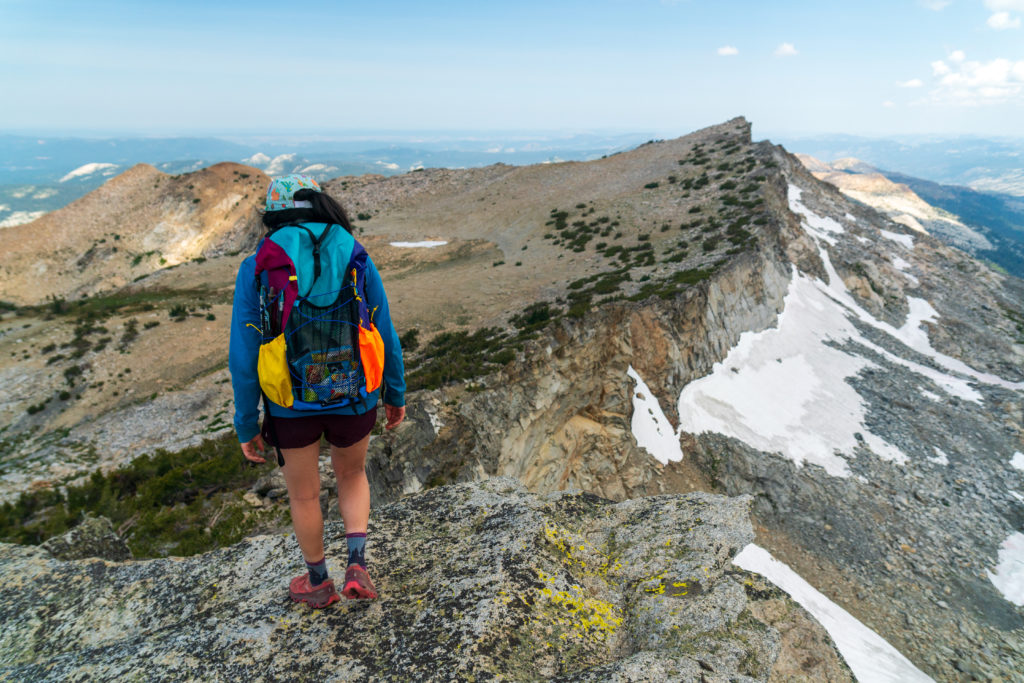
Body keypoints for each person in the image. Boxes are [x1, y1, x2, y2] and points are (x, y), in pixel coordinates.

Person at [229, 174, 405, 608]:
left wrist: (246, 422)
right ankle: (358, 562)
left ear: (273, 215)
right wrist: (394, 394)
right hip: (355, 394)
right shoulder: (352, 250)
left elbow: (244, 353)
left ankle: (317, 582)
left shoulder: (258, 264)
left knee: (304, 494)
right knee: (352, 474)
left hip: (290, 401)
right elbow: (384, 329)